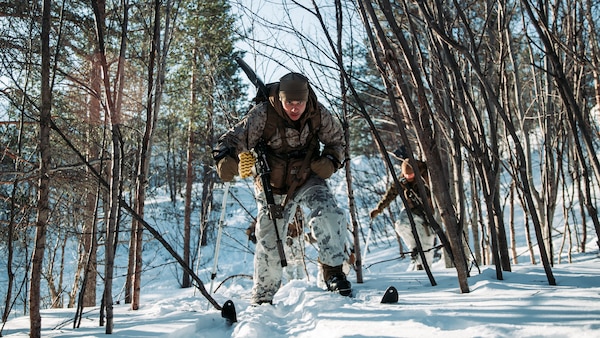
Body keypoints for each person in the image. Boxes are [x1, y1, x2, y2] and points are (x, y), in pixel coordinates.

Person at [214, 72, 351, 305]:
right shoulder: (262, 115)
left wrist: (330, 160)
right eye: (290, 103)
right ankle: (264, 295)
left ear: (307, 100)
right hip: (273, 183)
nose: (295, 108)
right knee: (270, 235)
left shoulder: (318, 113)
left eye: (300, 103)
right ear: (281, 99)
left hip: (307, 177)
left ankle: (333, 272)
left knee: (329, 213)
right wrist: (229, 161)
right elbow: (229, 142)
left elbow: (338, 141)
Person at [370, 158, 436, 270]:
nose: (409, 178)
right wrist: (379, 208)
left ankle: (424, 267)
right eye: (407, 175)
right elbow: (390, 194)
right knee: (401, 225)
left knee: (427, 242)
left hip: (428, 213)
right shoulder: (402, 180)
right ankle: (414, 248)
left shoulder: (428, 176)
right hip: (410, 210)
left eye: (411, 175)